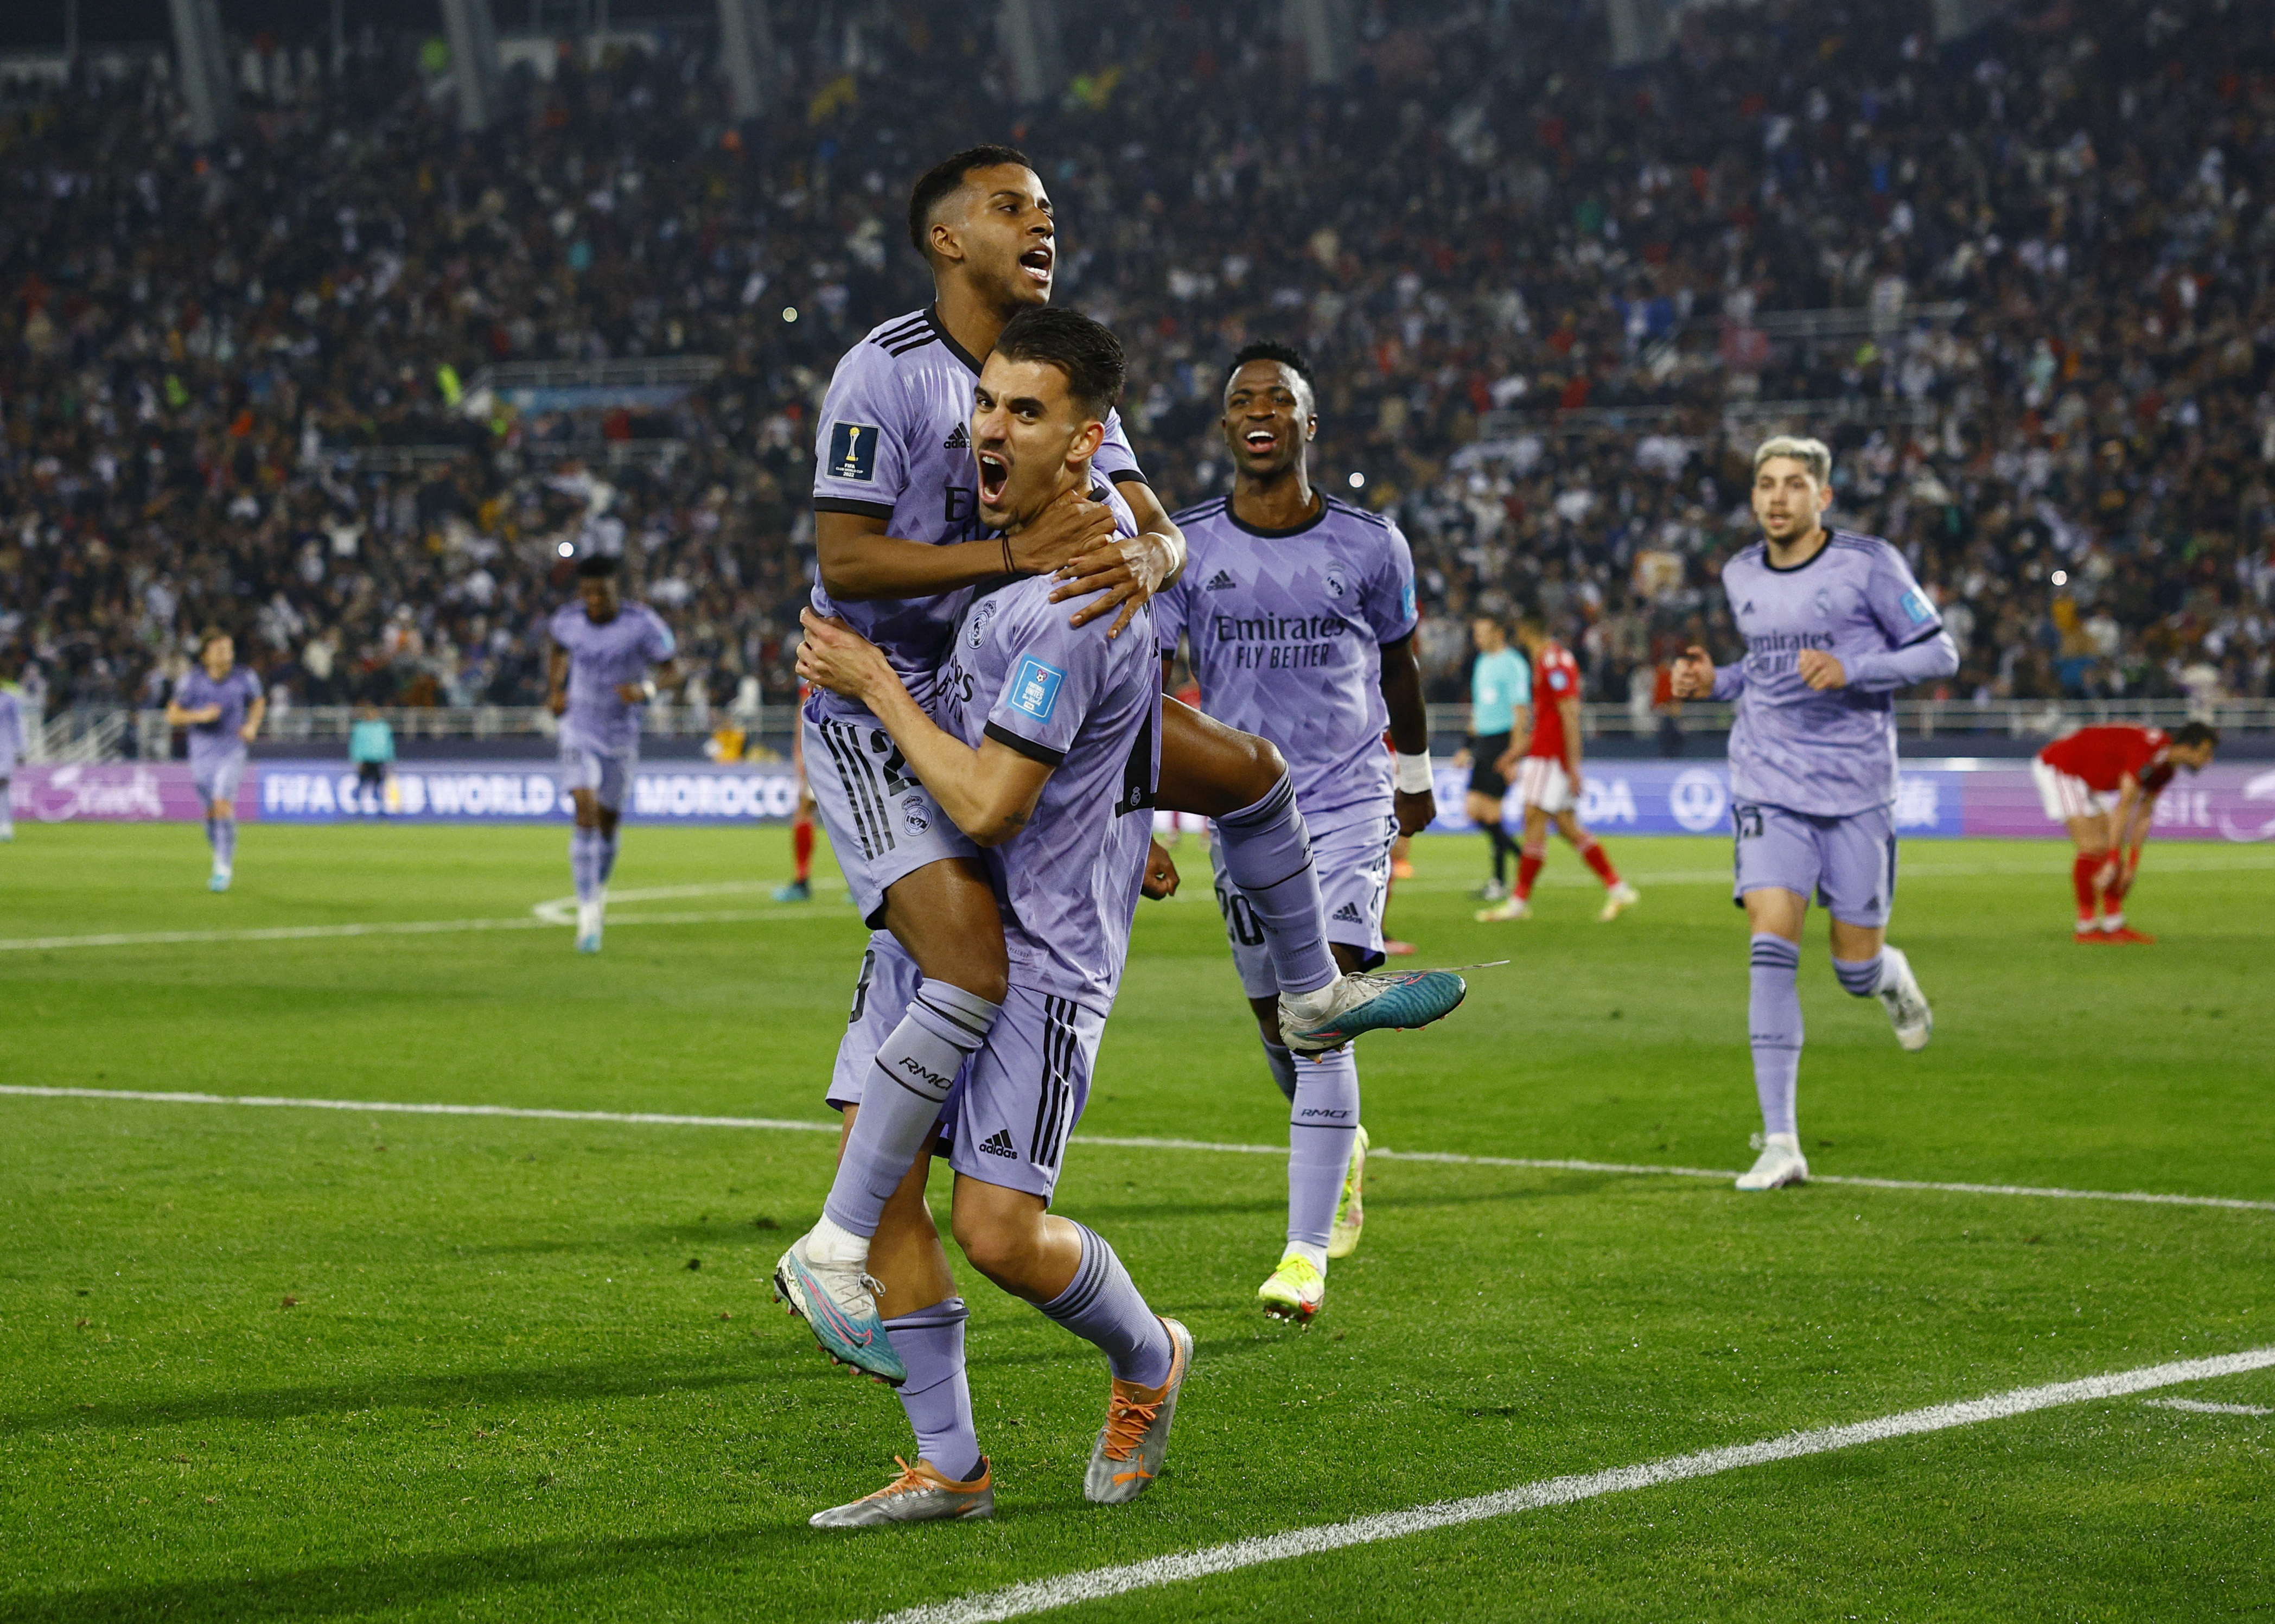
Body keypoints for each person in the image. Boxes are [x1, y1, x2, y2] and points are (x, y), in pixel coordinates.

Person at [772, 145, 1472, 1396]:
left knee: (1252, 774)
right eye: (1012, 207)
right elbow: (849, 565)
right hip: (909, 704)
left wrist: (1150, 562)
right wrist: (1009, 563)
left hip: (1049, 675)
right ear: (946, 240)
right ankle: (856, 1259)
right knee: (965, 970)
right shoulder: (882, 371)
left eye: (1048, 207)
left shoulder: (1060, 373)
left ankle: (1308, 995)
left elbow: (1151, 528)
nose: (1043, 221)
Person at [782, 310, 1196, 1525]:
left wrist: (868, 682)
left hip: (1035, 950)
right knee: (888, 1167)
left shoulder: (1068, 591)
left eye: (1026, 413)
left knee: (999, 1232)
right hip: (945, 912)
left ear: (1084, 444)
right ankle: (948, 1463)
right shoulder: (1036, 558)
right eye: (986, 405)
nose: (990, 432)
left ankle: (1148, 1355)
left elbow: (988, 800)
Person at [1155, 340, 1437, 1322]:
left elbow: (1399, 666)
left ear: (1308, 426)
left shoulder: (1371, 544)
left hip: (1349, 802)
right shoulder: (1186, 548)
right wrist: (1140, 814)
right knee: (1278, 1022)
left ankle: (1302, 1255)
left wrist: (1412, 775)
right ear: (1227, 425)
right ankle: (1342, 1142)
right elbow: (1144, 689)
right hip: (1245, 811)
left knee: (1319, 1015)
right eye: (1242, 400)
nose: (1259, 409)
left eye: (1280, 398)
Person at [1670, 435, 1958, 1191]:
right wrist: (1714, 680)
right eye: (1766, 483)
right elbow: (1763, 672)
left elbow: (1940, 654)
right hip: (1766, 779)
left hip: (1858, 787)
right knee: (1771, 940)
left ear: (1822, 497)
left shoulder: (1869, 563)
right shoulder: (1739, 574)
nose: (1776, 497)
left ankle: (1888, 979)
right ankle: (1782, 1140)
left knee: (1853, 967)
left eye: (1794, 484)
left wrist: (1853, 667)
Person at [546, 555, 679, 953]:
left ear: (616, 589)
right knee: (583, 809)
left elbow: (674, 670)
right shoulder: (567, 620)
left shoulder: (642, 625)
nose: (593, 600)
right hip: (578, 729)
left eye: (601, 591)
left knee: (607, 822)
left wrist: (647, 691)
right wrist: (556, 689)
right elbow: (557, 649)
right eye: (587, 592)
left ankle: (597, 889)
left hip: (620, 736)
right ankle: (588, 912)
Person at [1478, 613, 1640, 922]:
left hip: (1550, 759)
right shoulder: (1548, 660)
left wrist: (1574, 765)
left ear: (1527, 629)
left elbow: (1570, 713)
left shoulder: (1552, 661)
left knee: (1533, 821)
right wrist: (1515, 752)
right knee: (1566, 826)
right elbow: (1549, 719)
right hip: (1546, 754)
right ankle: (1618, 889)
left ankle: (1518, 901)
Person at [2033, 722, 2218, 943]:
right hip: (2063, 765)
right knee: (2093, 847)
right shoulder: (2148, 754)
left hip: (2089, 776)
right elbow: (2123, 807)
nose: (2209, 760)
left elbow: (2144, 815)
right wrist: (2113, 861)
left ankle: (2114, 926)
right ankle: (2086, 928)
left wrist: (2131, 865)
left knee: (2108, 846)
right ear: (2187, 748)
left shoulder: (2166, 769)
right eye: (2206, 753)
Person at [164, 629, 264, 892]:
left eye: (230, 650)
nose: (227, 655)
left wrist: (252, 725)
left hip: (232, 748)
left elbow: (258, 702)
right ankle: (221, 853)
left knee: (222, 802)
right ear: (206, 656)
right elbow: (173, 716)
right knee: (210, 811)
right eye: (220, 650)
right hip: (201, 753)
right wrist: (199, 717)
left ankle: (223, 867)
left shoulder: (245, 677)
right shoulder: (191, 682)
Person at [1465, 615, 1529, 901]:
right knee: (1475, 811)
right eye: (1476, 633)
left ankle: (1500, 882)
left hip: (1503, 743)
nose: (1478, 639)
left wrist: (1514, 756)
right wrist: (1467, 746)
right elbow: (1478, 710)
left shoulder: (1513, 663)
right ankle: (1523, 858)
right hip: (1484, 743)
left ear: (1499, 633)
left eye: (1483, 633)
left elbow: (1521, 712)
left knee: (1490, 813)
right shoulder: (1481, 663)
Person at [774, 679, 820, 902]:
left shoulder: (814, 654)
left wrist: (800, 751)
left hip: (820, 746)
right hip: (849, 741)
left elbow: (805, 706)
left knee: (804, 811)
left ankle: (801, 881)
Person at [348, 705, 394, 814]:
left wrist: (390, 759)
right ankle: (358, 810)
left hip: (379, 760)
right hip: (365, 761)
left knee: (379, 786)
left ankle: (381, 810)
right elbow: (355, 745)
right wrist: (357, 760)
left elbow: (389, 745)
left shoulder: (383, 727)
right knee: (362, 786)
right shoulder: (360, 728)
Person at [0, 673, 21, 843]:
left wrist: (21, 749)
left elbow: (17, 725)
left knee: (3, 786)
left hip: (4, 750)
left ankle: (5, 825)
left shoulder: (9, 700)